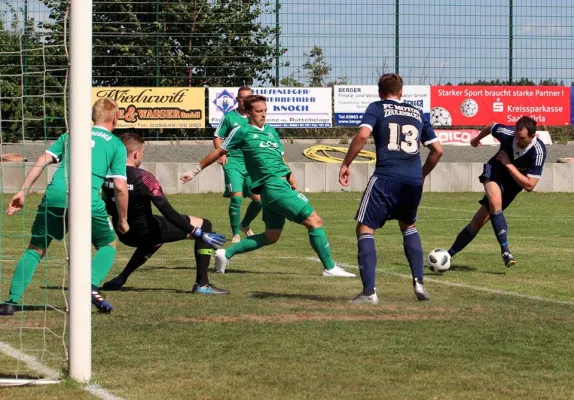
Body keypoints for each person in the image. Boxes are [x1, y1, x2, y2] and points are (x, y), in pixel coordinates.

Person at [181, 95, 355, 278]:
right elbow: (219, 151)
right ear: (248, 113)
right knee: (315, 221)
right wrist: (194, 171)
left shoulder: (271, 131)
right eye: (258, 111)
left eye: (265, 111)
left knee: (271, 236)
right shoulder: (242, 131)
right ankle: (329, 267)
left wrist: (293, 182)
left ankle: (226, 253)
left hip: (278, 187)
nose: (263, 115)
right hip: (272, 187)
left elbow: (281, 160)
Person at [0, 98, 129, 316]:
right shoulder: (116, 144)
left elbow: (42, 160)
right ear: (115, 118)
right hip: (87, 198)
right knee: (108, 244)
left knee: (36, 248)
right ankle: (89, 285)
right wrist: (123, 219)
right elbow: (120, 187)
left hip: (56, 194)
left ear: (92, 117)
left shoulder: (70, 136)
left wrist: (22, 191)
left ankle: (10, 302)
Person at [339, 73, 444, 304]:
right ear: (401, 91)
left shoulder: (377, 107)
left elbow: (363, 135)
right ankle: (419, 282)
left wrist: (346, 163)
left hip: (386, 176)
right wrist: (421, 174)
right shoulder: (417, 112)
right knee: (408, 226)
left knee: (365, 229)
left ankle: (369, 293)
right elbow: (437, 150)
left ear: (380, 92)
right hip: (412, 181)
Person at [100, 133, 228, 295]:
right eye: (143, 153)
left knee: (156, 238)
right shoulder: (144, 178)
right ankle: (202, 284)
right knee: (205, 225)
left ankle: (122, 277)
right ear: (136, 154)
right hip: (147, 231)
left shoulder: (107, 177)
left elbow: (107, 205)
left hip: (125, 233)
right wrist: (197, 232)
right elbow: (168, 212)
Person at [446, 116, 546, 267]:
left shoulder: (538, 151)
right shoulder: (507, 133)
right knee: (495, 202)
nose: (517, 140)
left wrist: (508, 164)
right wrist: (476, 139)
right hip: (495, 171)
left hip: (513, 184)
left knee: (479, 220)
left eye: (522, 138)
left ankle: (448, 255)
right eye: (516, 136)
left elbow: (530, 186)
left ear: (533, 136)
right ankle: (505, 251)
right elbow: (491, 126)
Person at [213, 87, 262, 243]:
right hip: (233, 162)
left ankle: (245, 225)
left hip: (250, 164)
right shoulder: (229, 117)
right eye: (241, 98)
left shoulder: (254, 118)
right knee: (237, 199)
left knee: (259, 201)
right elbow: (217, 137)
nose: (244, 100)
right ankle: (235, 234)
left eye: (248, 97)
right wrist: (222, 153)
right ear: (237, 99)